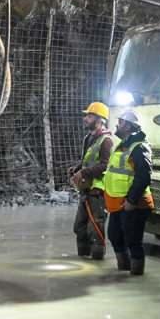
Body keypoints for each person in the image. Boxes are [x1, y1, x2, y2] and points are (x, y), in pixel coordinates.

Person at [103, 109, 154, 275]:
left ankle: (136, 275)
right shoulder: (122, 145)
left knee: (133, 240)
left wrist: (131, 201)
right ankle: (124, 268)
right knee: (114, 236)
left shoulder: (139, 147)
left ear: (128, 126)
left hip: (134, 204)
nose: (118, 124)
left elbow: (144, 176)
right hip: (118, 203)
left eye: (121, 122)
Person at [69, 102, 115, 260]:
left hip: (97, 191)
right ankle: (83, 258)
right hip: (86, 188)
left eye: (89, 116)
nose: (85, 119)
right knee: (79, 228)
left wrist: (84, 172)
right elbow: (87, 161)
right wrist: (77, 169)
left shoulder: (106, 141)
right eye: (86, 116)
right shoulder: (89, 138)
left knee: (95, 228)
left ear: (99, 119)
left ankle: (97, 262)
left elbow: (104, 165)